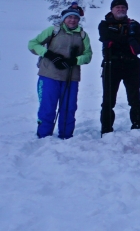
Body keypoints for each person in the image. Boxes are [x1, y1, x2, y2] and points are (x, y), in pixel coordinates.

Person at [29, 7, 93, 139]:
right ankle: (44, 135)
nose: (72, 20)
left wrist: (74, 60)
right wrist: (49, 54)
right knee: (48, 106)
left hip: (71, 77)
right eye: (69, 17)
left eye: (75, 18)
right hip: (49, 75)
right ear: (64, 19)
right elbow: (33, 44)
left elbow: (88, 55)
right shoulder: (53, 30)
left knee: (69, 108)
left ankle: (66, 136)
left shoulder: (82, 35)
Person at [98, 0, 140, 133]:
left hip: (131, 65)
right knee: (108, 98)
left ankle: (137, 124)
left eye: (123, 7)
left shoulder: (135, 24)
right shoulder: (104, 24)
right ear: (112, 9)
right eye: (117, 7)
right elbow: (105, 37)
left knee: (135, 98)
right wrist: (128, 39)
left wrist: (116, 39)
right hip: (111, 64)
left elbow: (138, 44)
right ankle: (106, 127)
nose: (120, 9)